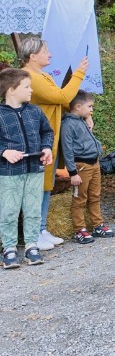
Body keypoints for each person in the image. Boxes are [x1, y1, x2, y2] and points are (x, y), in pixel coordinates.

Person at [19, 37, 88, 251]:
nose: (49, 55)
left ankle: (40, 229)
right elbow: (62, 96)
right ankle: (33, 232)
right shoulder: (30, 76)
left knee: (46, 184)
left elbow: (64, 102)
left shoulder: (44, 75)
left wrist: (85, 114)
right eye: (45, 51)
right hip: (37, 140)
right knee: (38, 187)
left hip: (50, 138)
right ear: (32, 56)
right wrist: (79, 73)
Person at [0, 68, 54, 268]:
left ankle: (32, 246)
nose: (31, 90)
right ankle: (9, 249)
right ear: (12, 90)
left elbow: (47, 132)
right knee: (9, 210)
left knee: (33, 209)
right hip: (9, 173)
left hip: (34, 168)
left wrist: (47, 148)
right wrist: (4, 151)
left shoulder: (35, 111)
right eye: (27, 87)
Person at [60, 90, 115, 243]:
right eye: (90, 107)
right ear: (78, 106)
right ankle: (80, 229)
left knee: (95, 195)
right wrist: (72, 172)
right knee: (80, 198)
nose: (92, 110)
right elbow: (67, 149)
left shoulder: (82, 120)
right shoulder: (68, 124)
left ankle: (97, 224)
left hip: (94, 163)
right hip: (81, 166)